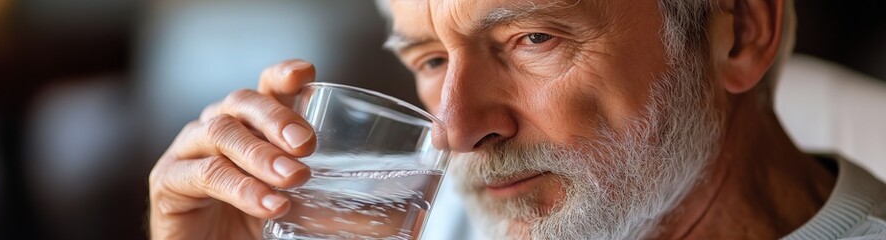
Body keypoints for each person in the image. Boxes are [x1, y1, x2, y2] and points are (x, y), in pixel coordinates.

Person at [147, 0, 886, 239]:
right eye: (431, 60)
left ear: (740, 31)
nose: (456, 129)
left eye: (532, 39)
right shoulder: (451, 220)